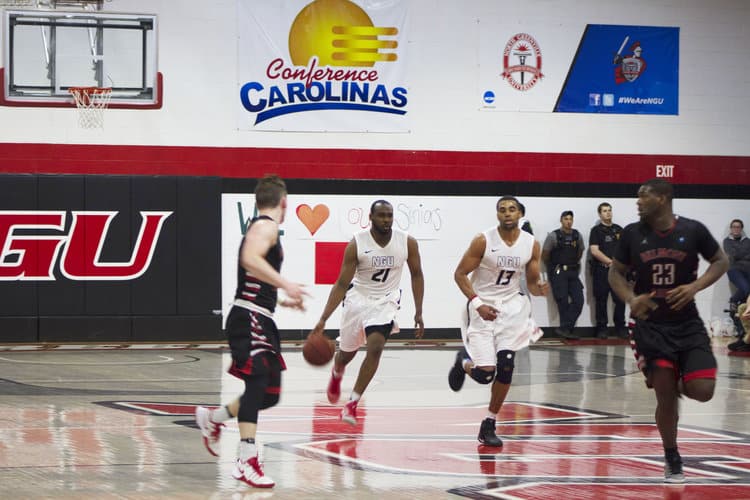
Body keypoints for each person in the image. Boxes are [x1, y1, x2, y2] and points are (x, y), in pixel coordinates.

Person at [608, 178, 729, 483]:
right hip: (649, 326)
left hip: (686, 323)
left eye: (642, 196)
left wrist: (695, 287)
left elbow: (721, 260)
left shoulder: (692, 230)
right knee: (665, 396)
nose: (637, 202)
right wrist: (631, 298)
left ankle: (673, 381)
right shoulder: (632, 234)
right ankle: (672, 456)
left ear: (662, 198)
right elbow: (615, 273)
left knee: (703, 391)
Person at [195, 175, 307, 488]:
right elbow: (249, 258)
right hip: (249, 317)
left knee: (268, 395)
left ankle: (212, 418)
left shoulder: (263, 227)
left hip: (261, 316)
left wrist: (283, 298)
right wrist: (285, 283)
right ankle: (246, 459)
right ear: (284, 202)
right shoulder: (266, 226)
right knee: (257, 381)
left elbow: (255, 274)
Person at [310, 200, 425, 425]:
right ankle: (337, 371)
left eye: (390, 215)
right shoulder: (357, 243)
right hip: (358, 299)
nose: (386, 220)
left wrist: (419, 311)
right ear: (370, 217)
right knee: (346, 355)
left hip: (385, 301)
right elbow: (342, 283)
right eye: (381, 215)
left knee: (375, 347)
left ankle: (352, 403)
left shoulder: (407, 242)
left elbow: (417, 274)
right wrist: (323, 318)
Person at [448, 196, 549, 447]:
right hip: (483, 305)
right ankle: (463, 362)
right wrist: (477, 303)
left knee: (506, 365)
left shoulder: (531, 244)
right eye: (502, 210)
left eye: (512, 209)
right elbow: (459, 274)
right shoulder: (483, 240)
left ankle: (489, 423)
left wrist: (540, 288)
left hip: (512, 309)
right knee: (485, 375)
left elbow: (533, 283)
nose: (507, 214)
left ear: (520, 214)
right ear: (497, 215)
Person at [542, 210, 584, 340]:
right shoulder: (554, 236)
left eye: (571, 219)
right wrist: (554, 267)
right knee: (562, 301)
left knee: (579, 300)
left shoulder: (577, 235)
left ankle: (564, 328)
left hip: (572, 271)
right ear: (561, 220)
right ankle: (567, 331)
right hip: (558, 272)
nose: (569, 221)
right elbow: (545, 255)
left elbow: (580, 252)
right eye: (566, 219)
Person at [588, 202, 626, 339]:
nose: (608, 213)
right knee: (601, 300)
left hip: (618, 273)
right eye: (605, 211)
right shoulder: (596, 230)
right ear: (600, 214)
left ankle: (620, 328)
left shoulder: (619, 230)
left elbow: (626, 249)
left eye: (610, 210)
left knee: (620, 300)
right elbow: (595, 251)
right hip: (602, 271)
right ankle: (602, 328)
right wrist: (611, 262)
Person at [723, 219, 750, 310]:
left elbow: (736, 254)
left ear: (741, 229)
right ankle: (733, 300)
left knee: (748, 293)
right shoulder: (727, 241)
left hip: (748, 269)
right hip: (734, 269)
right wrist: (745, 254)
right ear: (731, 228)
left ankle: (740, 311)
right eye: (734, 227)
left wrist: (738, 254)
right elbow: (732, 254)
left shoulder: (747, 241)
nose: (736, 229)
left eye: (738, 227)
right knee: (746, 288)